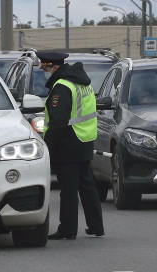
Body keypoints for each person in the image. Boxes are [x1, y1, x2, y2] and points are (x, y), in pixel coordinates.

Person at [36, 51, 104, 240]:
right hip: (84, 139)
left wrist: (47, 147)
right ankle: (96, 226)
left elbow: (58, 122)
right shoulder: (82, 82)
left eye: (45, 67)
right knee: (87, 185)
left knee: (68, 189)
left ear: (54, 67)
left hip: (68, 142)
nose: (44, 71)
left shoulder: (62, 87)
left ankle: (67, 230)